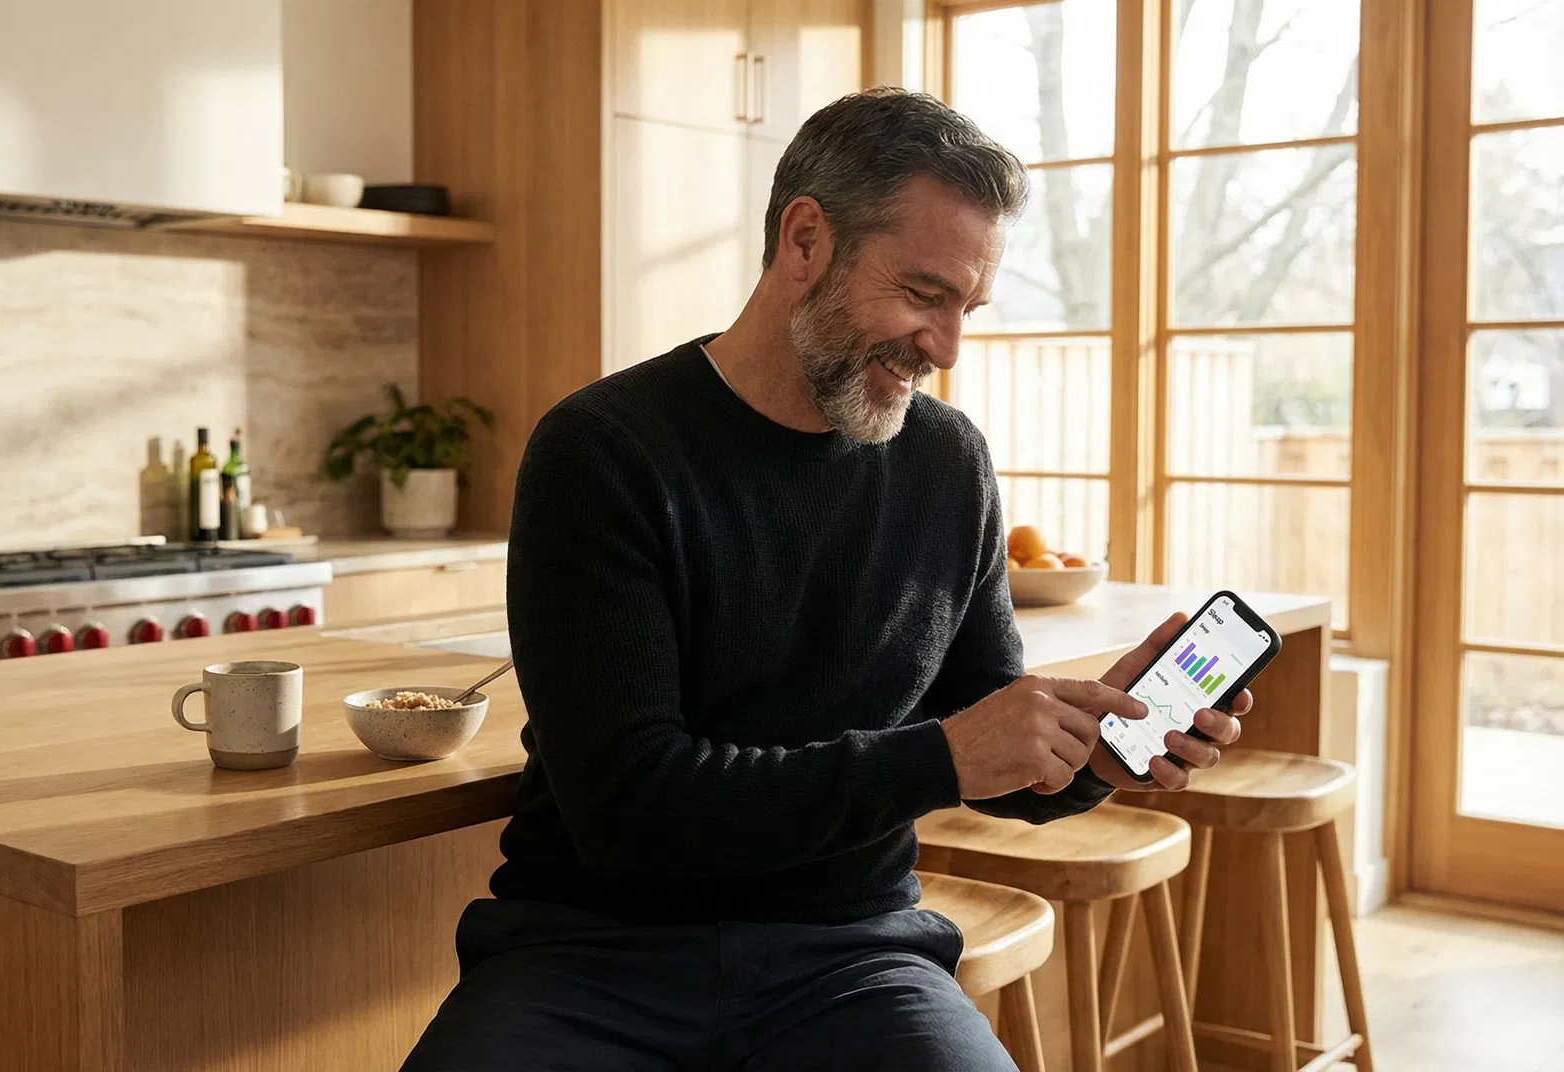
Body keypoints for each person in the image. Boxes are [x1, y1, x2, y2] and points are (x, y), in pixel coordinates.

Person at [401, 87, 1250, 1072]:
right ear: (806, 239)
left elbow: (984, 743)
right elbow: (632, 805)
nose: (947, 348)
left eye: (966, 308)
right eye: (925, 294)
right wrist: (940, 756)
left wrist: (1094, 751)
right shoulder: (604, 451)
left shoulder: (947, 463)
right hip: (591, 952)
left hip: (853, 956)